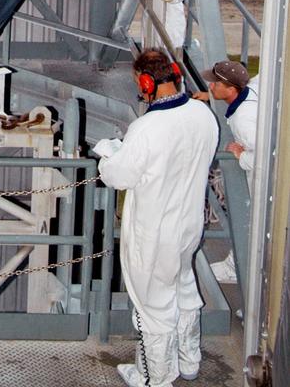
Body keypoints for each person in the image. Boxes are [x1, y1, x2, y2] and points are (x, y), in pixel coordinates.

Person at [94, 48, 219, 387]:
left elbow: (119, 177)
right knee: (183, 289)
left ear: (147, 82)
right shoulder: (203, 114)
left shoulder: (146, 128)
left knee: (153, 308)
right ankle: (189, 359)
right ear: (176, 74)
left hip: (154, 233)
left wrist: (107, 153)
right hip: (189, 225)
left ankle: (155, 378)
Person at [195, 60, 258, 284]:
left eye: (216, 85)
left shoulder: (244, 121)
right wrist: (209, 96)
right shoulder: (249, 90)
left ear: (231, 90)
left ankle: (236, 271)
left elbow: (267, 157)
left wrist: (242, 156)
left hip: (263, 183)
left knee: (253, 225)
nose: (211, 86)